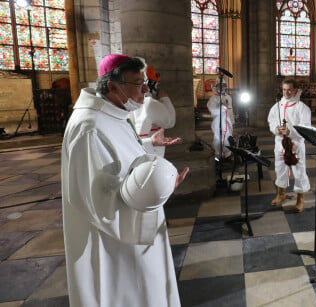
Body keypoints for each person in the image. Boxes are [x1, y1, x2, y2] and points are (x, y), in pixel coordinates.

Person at [61, 54, 188, 307]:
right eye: (138, 83)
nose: (145, 90)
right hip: (115, 239)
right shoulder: (90, 127)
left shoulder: (112, 114)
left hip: (136, 223)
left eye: (145, 83)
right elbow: (98, 201)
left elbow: (117, 156)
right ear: (112, 85)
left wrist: (149, 144)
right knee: (131, 292)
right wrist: (154, 191)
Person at [267, 79, 311, 212]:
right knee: (279, 168)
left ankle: (300, 199)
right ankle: (281, 194)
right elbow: (271, 121)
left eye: (289, 90)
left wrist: (291, 131)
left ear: (295, 90)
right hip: (280, 143)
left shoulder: (302, 107)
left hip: (295, 145)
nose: (286, 92)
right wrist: (275, 129)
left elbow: (306, 128)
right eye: (284, 89)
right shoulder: (277, 106)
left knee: (299, 171)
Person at [130, 64, 176, 157]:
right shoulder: (149, 103)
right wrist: (165, 99)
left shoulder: (126, 101)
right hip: (151, 151)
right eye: (156, 85)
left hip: (133, 150)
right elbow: (170, 121)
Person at [207, 78, 235, 160]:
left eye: (223, 86)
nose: (221, 88)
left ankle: (228, 155)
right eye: (219, 86)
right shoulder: (213, 98)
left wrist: (232, 120)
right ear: (216, 87)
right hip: (218, 122)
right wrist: (222, 107)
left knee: (228, 138)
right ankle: (218, 156)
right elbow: (212, 110)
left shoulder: (228, 97)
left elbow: (230, 110)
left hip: (228, 122)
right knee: (218, 139)